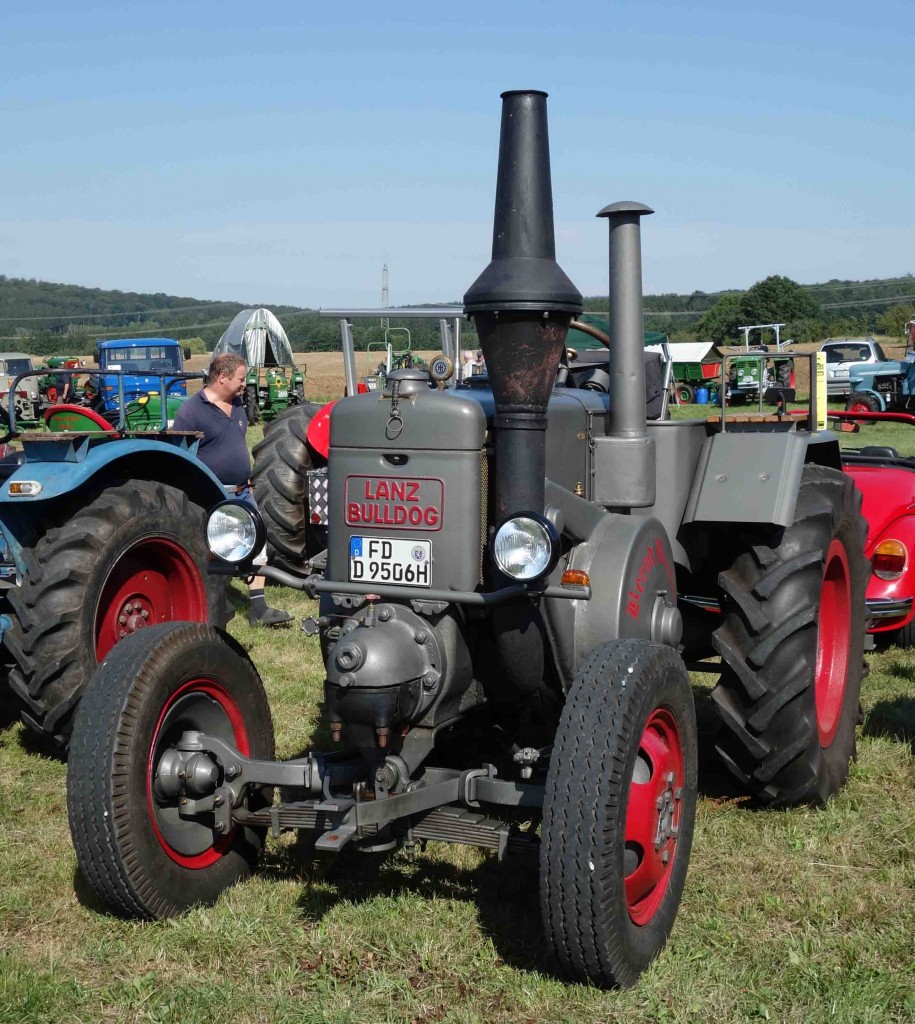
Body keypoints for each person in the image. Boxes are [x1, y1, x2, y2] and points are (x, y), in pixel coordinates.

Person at [173, 352, 292, 627]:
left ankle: (258, 608)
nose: (244, 384)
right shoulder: (191, 411)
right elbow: (180, 458)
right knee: (215, 548)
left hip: (242, 491)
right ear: (222, 377)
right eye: (240, 378)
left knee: (255, 544)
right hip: (211, 495)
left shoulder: (237, 405)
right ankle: (213, 603)